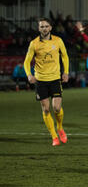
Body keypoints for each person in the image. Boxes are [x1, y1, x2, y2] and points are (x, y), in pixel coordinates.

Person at [23, 18, 69, 146]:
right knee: (46, 109)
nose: (44, 28)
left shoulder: (58, 41)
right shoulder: (34, 43)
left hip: (55, 78)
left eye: (46, 26)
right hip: (41, 80)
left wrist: (66, 72)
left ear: (50, 28)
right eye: (42, 26)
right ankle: (54, 137)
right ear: (39, 29)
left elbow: (65, 56)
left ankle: (60, 128)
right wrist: (29, 75)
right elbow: (27, 61)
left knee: (57, 107)